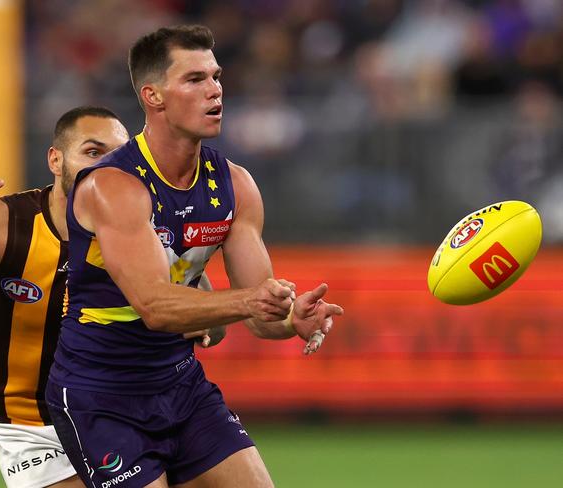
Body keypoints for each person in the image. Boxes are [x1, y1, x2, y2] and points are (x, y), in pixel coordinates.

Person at [46, 25, 344, 488]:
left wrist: (291, 320)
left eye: (216, 76)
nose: (215, 90)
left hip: (180, 385)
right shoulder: (113, 186)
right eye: (195, 80)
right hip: (101, 396)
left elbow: (262, 315)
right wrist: (249, 301)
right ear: (154, 96)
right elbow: (157, 307)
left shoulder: (236, 185)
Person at [0, 106, 223, 488]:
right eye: (93, 153)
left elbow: (207, 319)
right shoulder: (2, 225)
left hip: (119, 411)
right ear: (55, 160)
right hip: (33, 426)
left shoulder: (139, 229)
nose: (108, 169)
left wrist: (203, 324)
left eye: (119, 156)